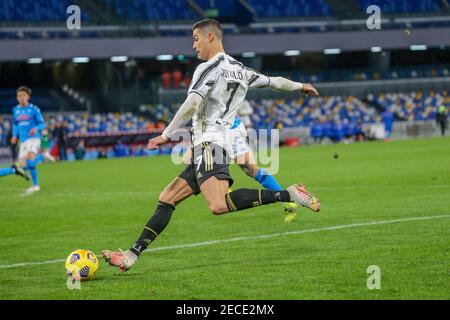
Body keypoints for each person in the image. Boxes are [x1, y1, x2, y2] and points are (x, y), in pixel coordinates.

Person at [102, 19, 320, 272]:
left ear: (211, 38)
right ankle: (132, 254)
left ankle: (289, 194)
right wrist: (300, 86)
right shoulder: (240, 70)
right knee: (167, 198)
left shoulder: (208, 68)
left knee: (217, 205)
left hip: (210, 144)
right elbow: (274, 81)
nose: (193, 45)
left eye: (196, 38)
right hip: (213, 146)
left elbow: (193, 102)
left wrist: (166, 134)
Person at [0, 86, 46, 194]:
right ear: (17, 98)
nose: (21, 98)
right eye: (19, 96)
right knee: (23, 165)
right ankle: (41, 159)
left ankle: (36, 185)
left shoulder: (34, 109)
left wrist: (36, 128)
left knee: (29, 158)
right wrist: (14, 136)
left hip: (34, 139)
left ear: (28, 97)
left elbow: (42, 123)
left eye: (23, 95)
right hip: (23, 141)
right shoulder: (16, 110)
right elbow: (16, 124)